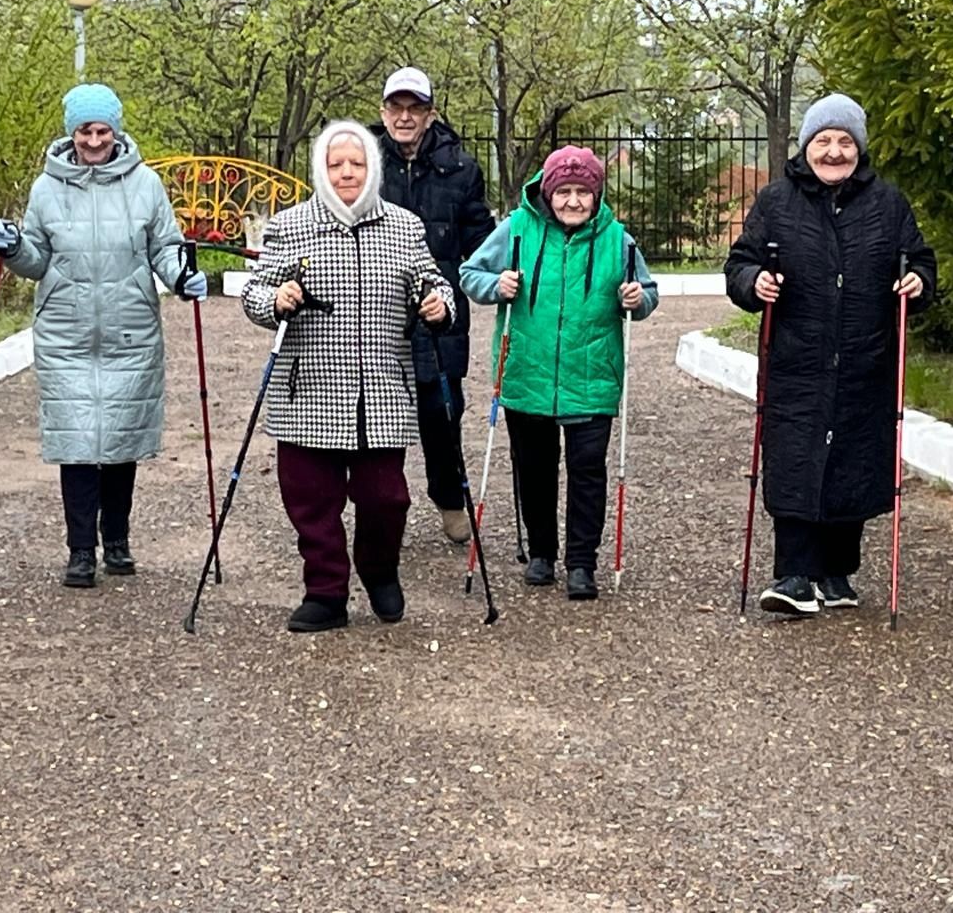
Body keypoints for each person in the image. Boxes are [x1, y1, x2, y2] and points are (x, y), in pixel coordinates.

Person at [725, 93, 936, 616]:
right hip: (797, 359)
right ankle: (795, 575)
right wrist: (756, 282)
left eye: (845, 142)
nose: (835, 152)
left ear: (859, 149)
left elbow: (921, 261)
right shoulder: (776, 203)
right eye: (824, 141)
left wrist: (918, 282)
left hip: (866, 358)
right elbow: (740, 265)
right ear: (807, 146)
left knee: (853, 461)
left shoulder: (889, 205)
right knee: (795, 460)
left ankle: (838, 574)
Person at [0, 83, 203, 589]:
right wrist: (14, 247)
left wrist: (180, 276)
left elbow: (165, 247)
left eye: (103, 130)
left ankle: (119, 540)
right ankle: (81, 549)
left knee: (122, 442)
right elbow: (37, 261)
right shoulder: (45, 188)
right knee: (79, 443)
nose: (94, 139)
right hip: (67, 331)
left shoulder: (145, 184)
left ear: (116, 130)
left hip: (129, 330)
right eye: (85, 130)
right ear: (71, 132)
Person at [241, 119, 453, 633]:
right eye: (335, 164)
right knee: (311, 499)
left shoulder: (404, 227)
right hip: (308, 388)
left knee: (387, 498)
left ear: (372, 167)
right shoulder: (291, 226)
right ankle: (326, 590)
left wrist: (437, 305)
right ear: (320, 169)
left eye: (356, 163)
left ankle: (380, 571)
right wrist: (275, 300)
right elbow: (253, 293)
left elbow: (437, 285)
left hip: (380, 388)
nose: (346, 172)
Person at [461, 146, 658, 600]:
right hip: (526, 372)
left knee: (588, 470)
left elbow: (647, 293)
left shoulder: (618, 240)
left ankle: (582, 562)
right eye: (564, 191)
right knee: (534, 467)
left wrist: (637, 298)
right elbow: (470, 272)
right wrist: (496, 285)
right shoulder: (515, 230)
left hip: (592, 374)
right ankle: (542, 553)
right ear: (548, 193)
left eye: (583, 192)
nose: (573, 201)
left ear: (596, 195)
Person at [370, 66, 496, 544]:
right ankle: (386, 507)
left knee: (442, 417)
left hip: (439, 317)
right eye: (396, 108)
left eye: (414, 109)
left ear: (430, 114)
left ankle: (449, 499)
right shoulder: (365, 162)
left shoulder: (461, 168)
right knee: (380, 420)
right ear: (384, 113)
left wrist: (505, 267)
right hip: (377, 313)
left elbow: (480, 240)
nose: (404, 117)